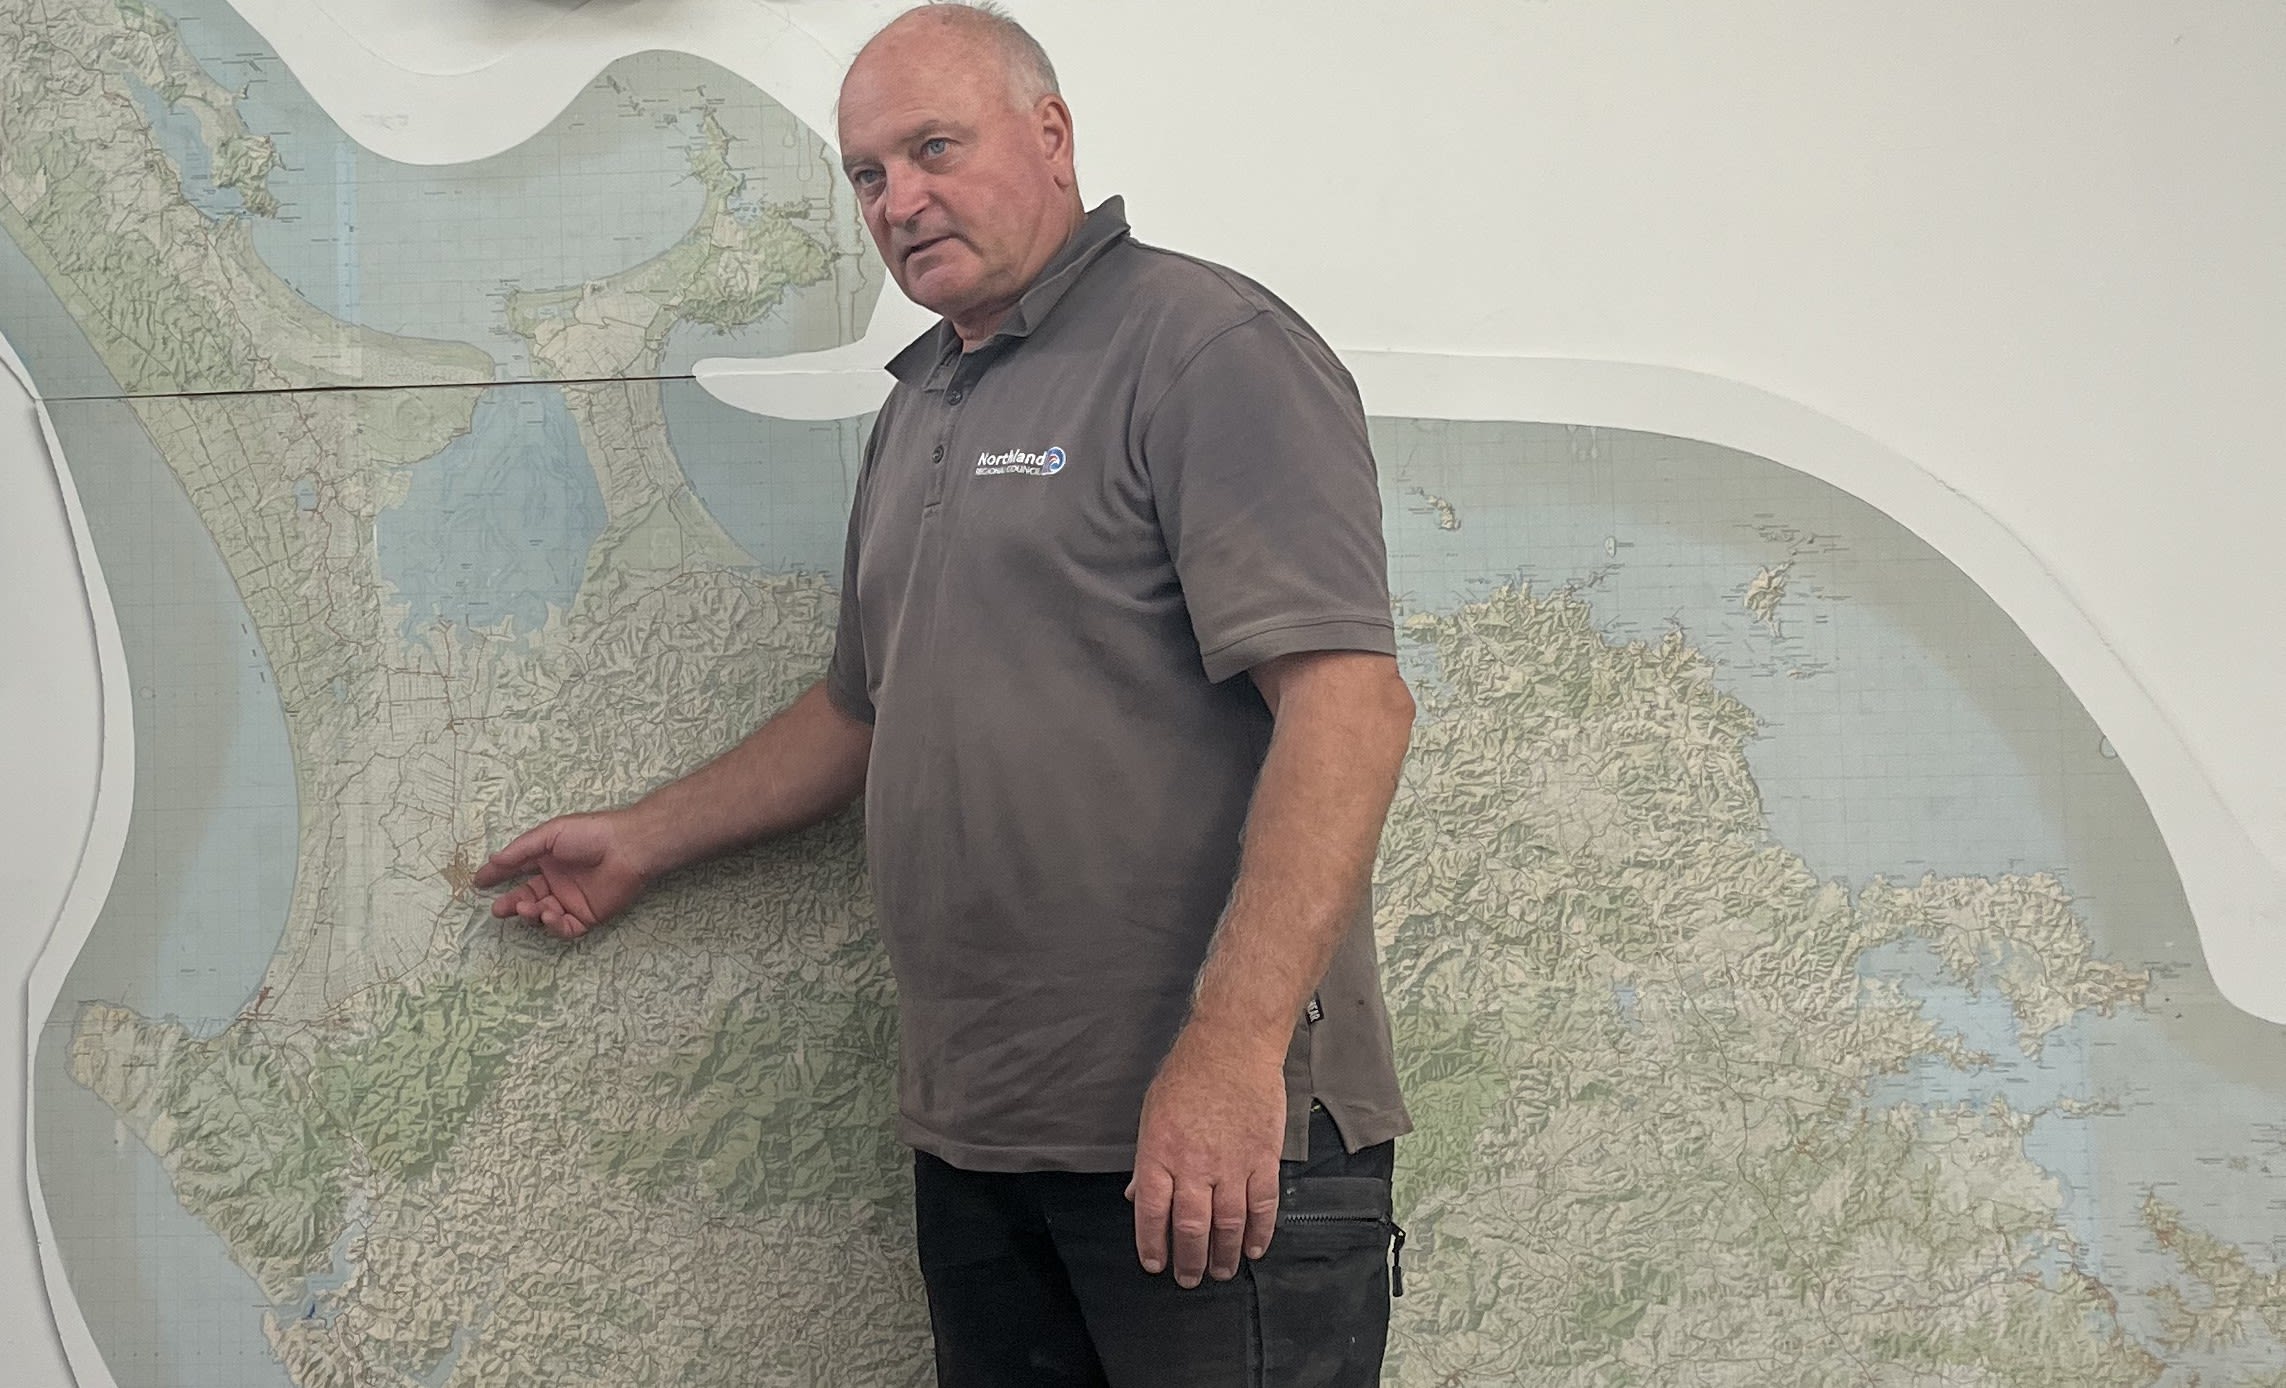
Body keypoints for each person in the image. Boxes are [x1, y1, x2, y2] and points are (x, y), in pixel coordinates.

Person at [475, 3, 1417, 1382]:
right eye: (867, 174)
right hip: (982, 1145)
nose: (898, 199)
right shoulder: (925, 403)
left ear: (1049, 137)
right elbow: (864, 711)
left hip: (1208, 1150)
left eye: (932, 148)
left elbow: (1349, 705)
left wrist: (1231, 1060)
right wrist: (644, 839)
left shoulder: (1204, 348)